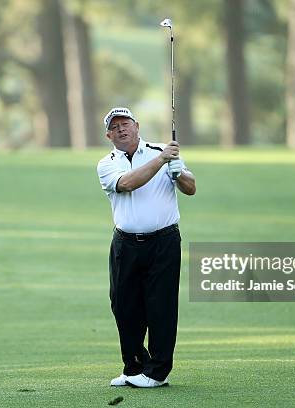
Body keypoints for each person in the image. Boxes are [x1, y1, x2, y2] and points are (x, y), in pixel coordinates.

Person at [96, 107, 196, 388]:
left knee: (161, 307)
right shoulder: (107, 164)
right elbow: (127, 183)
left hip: (164, 242)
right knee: (123, 306)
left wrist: (179, 173)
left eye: (125, 123)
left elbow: (191, 188)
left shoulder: (161, 150)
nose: (121, 129)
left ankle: (157, 373)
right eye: (114, 127)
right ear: (108, 135)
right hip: (125, 244)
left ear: (137, 126)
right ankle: (134, 367)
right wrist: (163, 160)